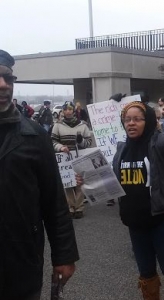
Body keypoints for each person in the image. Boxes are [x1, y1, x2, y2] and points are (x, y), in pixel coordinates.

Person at [77, 101, 164, 300]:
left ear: (149, 121)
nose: (131, 124)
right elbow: (113, 181)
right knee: (146, 273)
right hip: (135, 223)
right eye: (127, 120)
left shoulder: (161, 142)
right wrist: (87, 180)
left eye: (137, 119)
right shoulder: (122, 149)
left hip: (163, 220)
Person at [0, 49, 79, 299]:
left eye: (8, 78)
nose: (3, 85)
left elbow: (54, 201)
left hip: (20, 264)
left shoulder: (34, 136)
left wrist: (64, 255)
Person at [51, 101, 92, 219]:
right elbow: (53, 141)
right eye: (66, 109)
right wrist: (61, 147)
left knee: (79, 182)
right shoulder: (57, 125)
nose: (68, 111)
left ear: (74, 110)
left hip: (79, 157)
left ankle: (79, 207)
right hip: (65, 158)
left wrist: (80, 141)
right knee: (67, 183)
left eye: (70, 109)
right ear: (63, 111)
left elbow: (88, 143)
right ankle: (70, 207)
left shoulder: (83, 125)